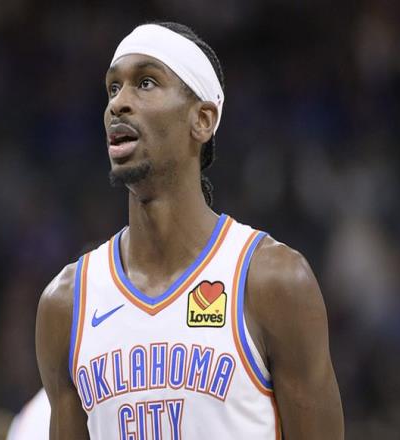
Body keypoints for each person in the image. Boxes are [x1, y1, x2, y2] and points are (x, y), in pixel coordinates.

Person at [36, 21, 344, 439]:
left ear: (202, 120)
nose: (118, 103)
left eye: (145, 83)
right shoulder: (66, 304)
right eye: (113, 88)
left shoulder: (272, 281)